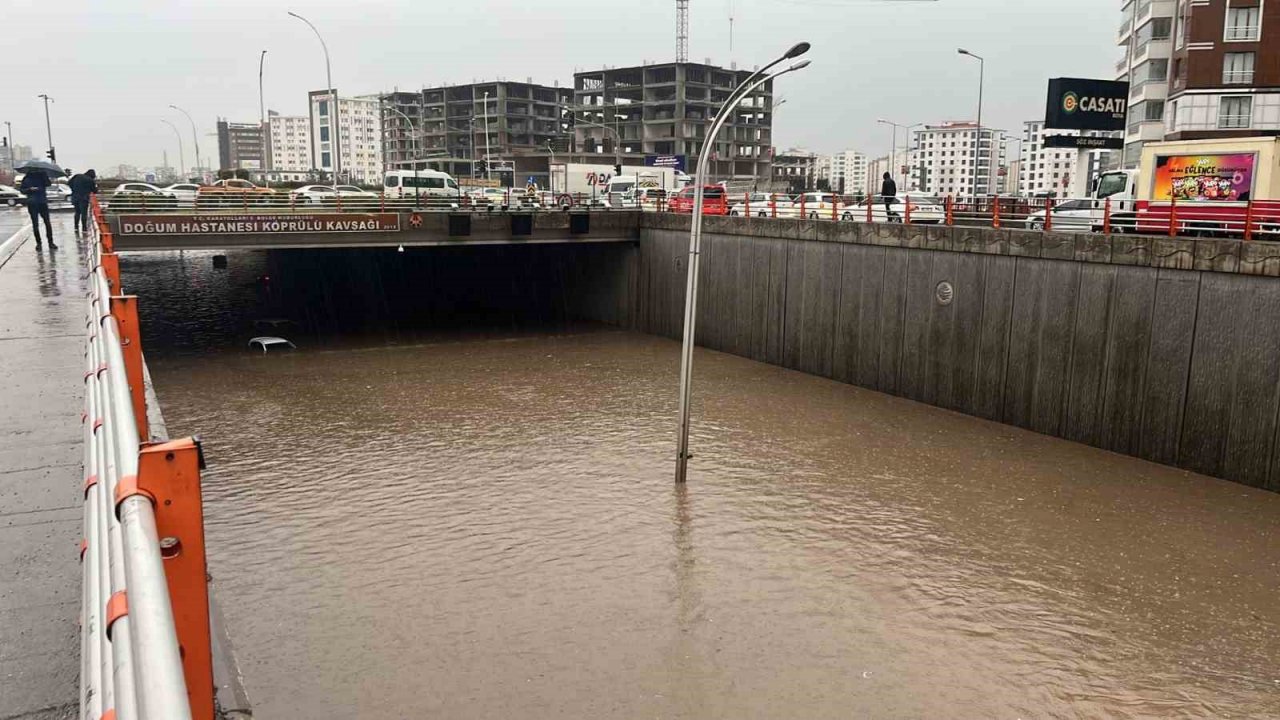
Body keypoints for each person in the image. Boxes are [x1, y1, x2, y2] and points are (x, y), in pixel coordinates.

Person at [19, 170, 55, 249]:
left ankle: (39, 243)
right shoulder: (42, 175)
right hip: (40, 201)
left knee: (36, 224)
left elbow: (22, 190)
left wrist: (29, 189)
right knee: (46, 222)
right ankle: (50, 242)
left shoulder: (27, 177)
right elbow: (48, 184)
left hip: (34, 202)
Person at [69, 169, 98, 234]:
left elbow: (69, 183)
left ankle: (76, 227)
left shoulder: (77, 176)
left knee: (77, 212)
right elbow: (95, 191)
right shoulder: (90, 180)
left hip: (75, 197)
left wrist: (74, 189)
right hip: (84, 198)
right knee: (83, 213)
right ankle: (84, 228)